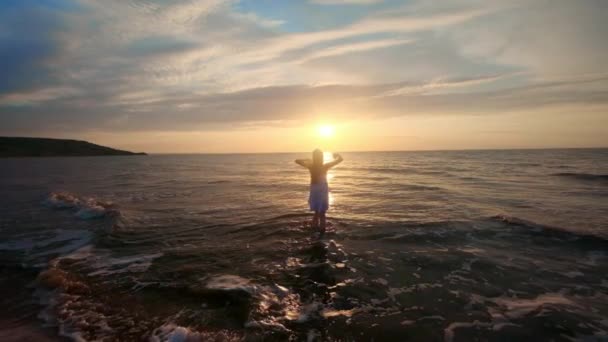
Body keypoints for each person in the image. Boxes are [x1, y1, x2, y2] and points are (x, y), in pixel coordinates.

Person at [295, 149, 343, 234]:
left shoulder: (311, 166)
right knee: (322, 213)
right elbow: (340, 159)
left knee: (317, 211)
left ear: (313, 157)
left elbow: (297, 161)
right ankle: (322, 232)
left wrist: (307, 159)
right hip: (322, 190)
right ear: (321, 157)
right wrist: (337, 155)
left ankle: (313, 228)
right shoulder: (325, 166)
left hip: (314, 190)